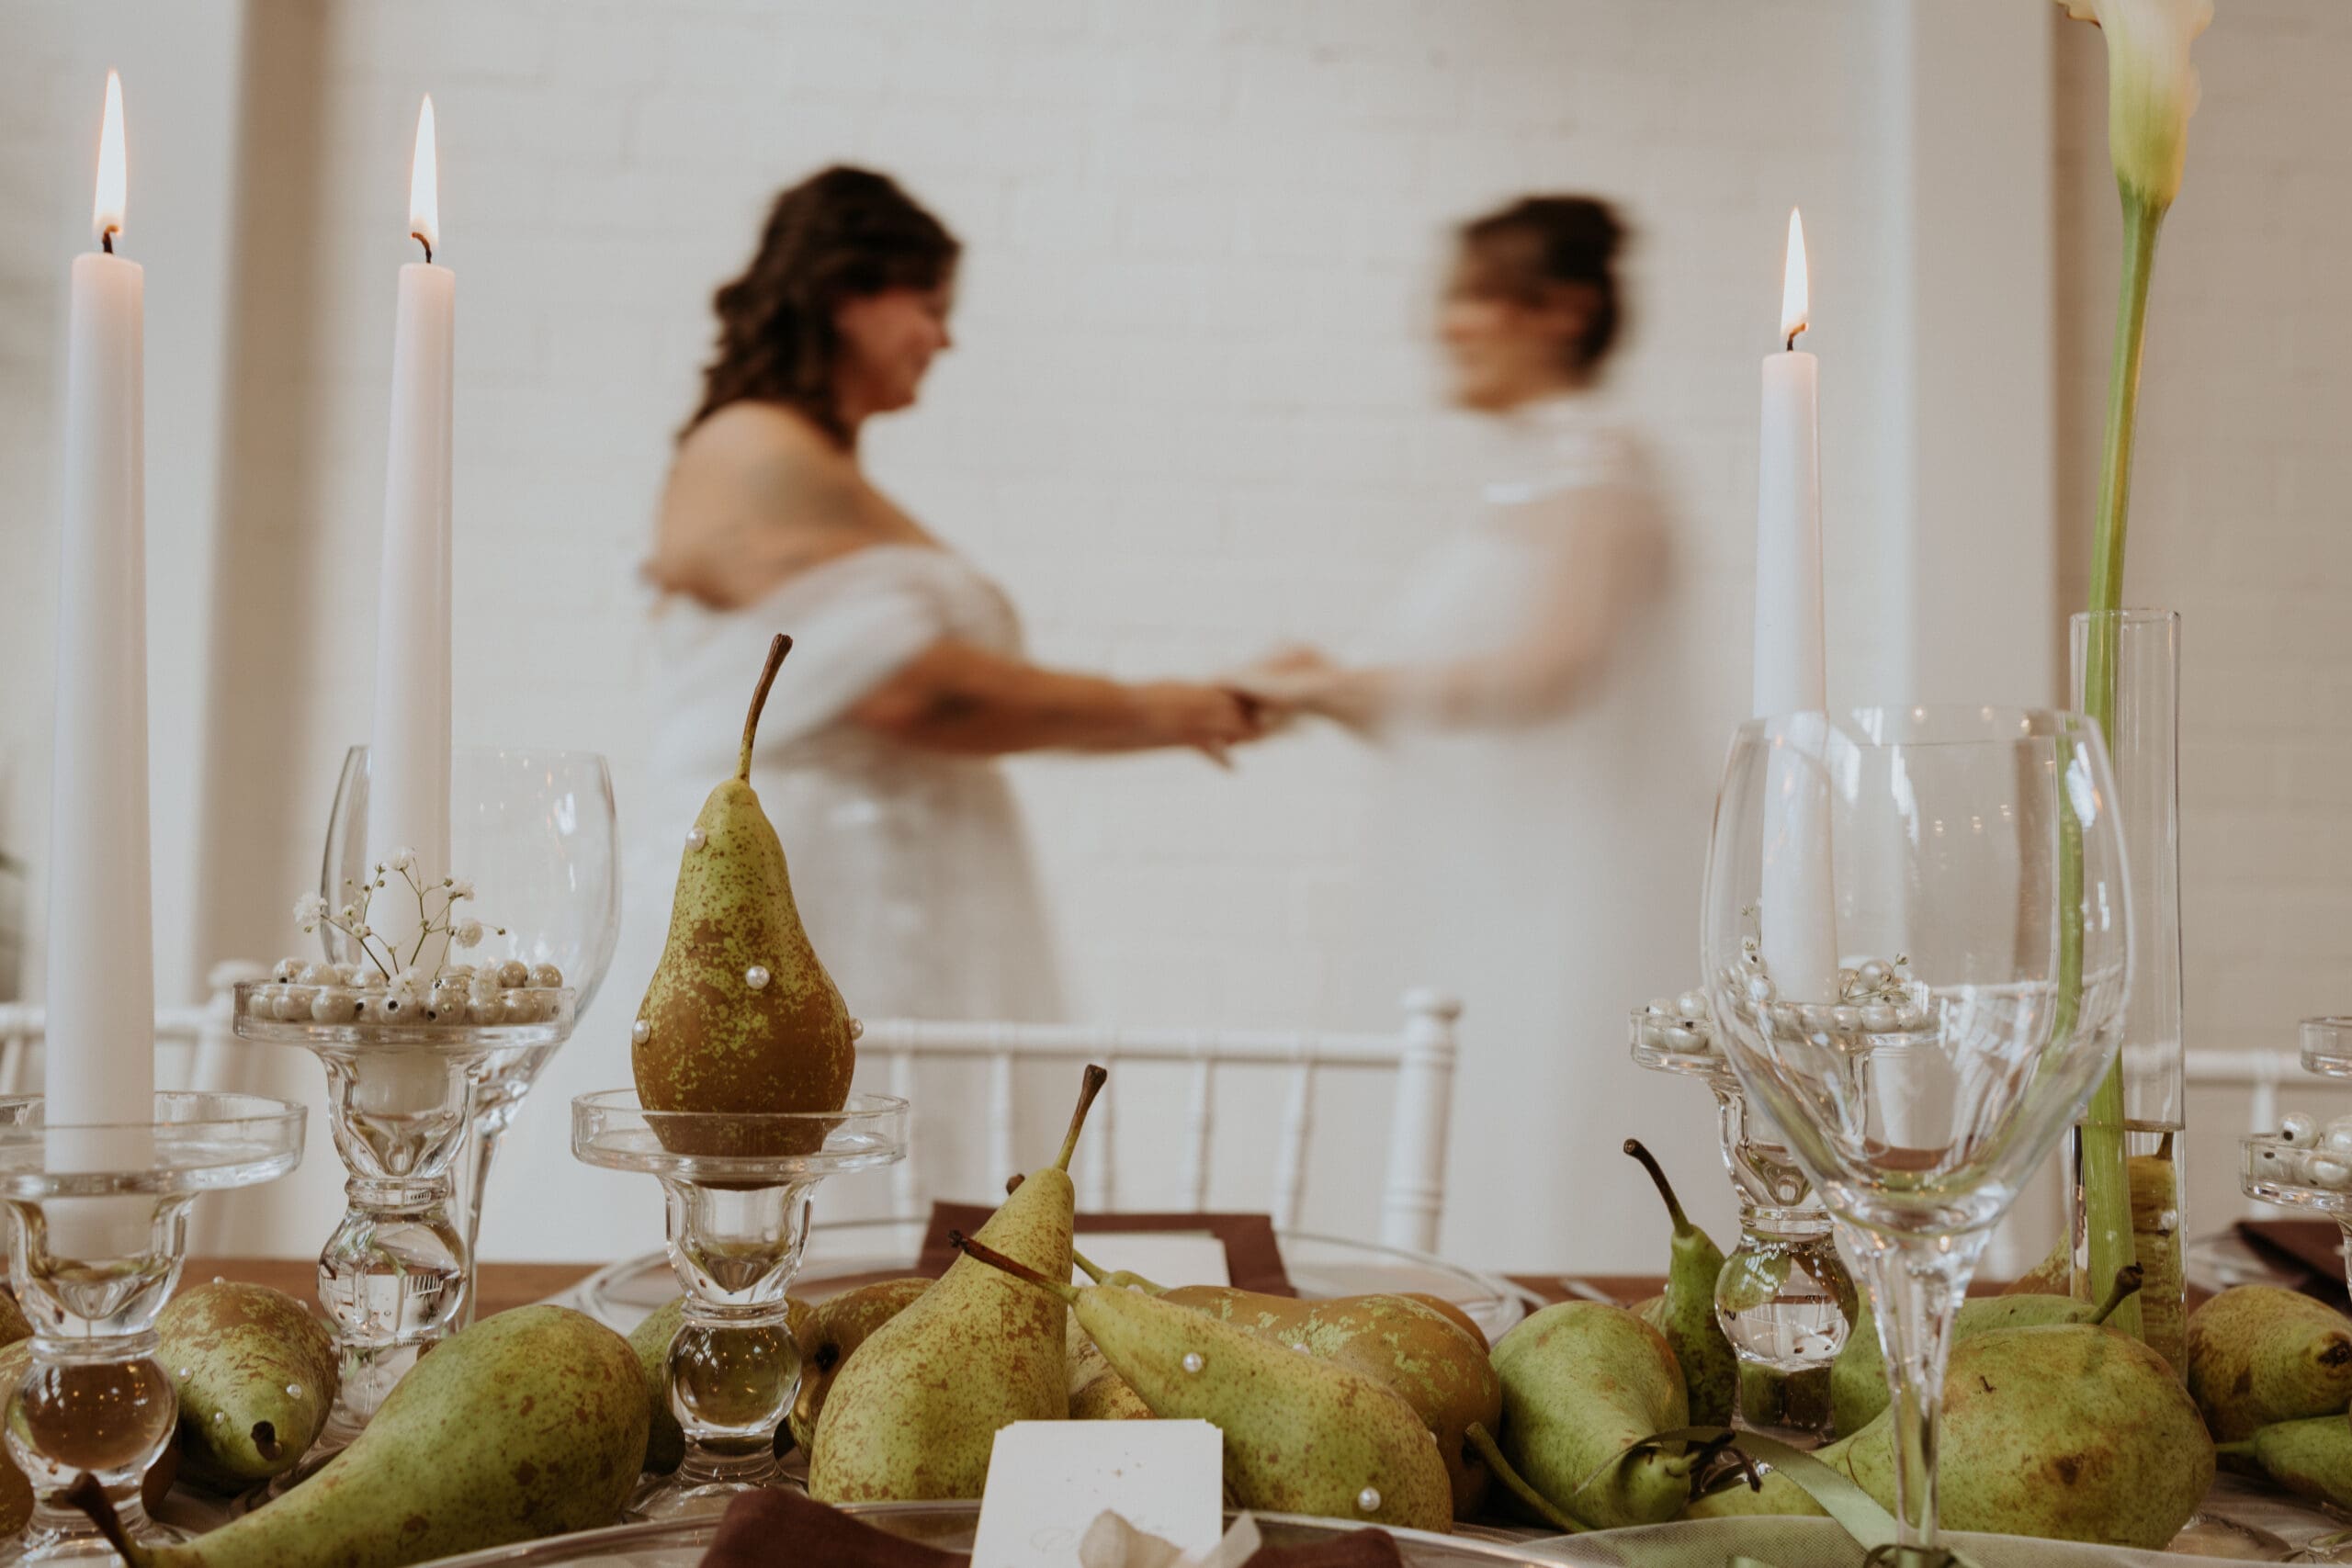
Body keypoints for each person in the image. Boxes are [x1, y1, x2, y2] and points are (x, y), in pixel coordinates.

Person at [638, 166, 1261, 1024]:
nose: (943, 339)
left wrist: (1181, 711)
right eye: (929, 307)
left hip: (881, 888)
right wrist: (1156, 708)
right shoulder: (757, 448)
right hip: (833, 891)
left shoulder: (804, 460)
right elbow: (911, 691)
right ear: (845, 295)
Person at [1236, 197, 1714, 1269]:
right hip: (1488, 892)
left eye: (1475, 296)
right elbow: (1475, 718)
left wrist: (1337, 685)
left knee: (1533, 1134)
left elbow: (1554, 667)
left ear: (1561, 312)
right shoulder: (1534, 478)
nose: (1446, 324)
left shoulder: (1597, 465)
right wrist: (1328, 690)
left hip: (1553, 903)